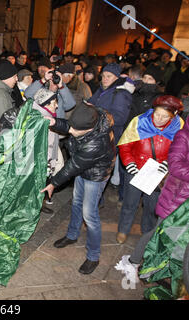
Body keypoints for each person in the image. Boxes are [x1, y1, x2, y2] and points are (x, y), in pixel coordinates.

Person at [115, 97, 188, 283]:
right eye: (157, 114)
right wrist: (129, 163)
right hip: (137, 169)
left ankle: (147, 235)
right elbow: (125, 144)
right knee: (130, 203)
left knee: (151, 206)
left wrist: (166, 165)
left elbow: (178, 152)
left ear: (174, 116)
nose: (159, 119)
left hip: (158, 174)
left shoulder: (178, 125)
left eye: (165, 117)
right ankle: (123, 229)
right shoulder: (139, 121)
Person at [41, 102, 116, 275]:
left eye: (76, 131)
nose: (71, 133)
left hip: (96, 175)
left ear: (89, 129)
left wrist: (53, 183)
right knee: (76, 203)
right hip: (84, 168)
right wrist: (54, 122)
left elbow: (72, 166)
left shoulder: (96, 143)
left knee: (89, 215)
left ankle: (93, 256)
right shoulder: (88, 116)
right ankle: (72, 235)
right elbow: (71, 125)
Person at [88, 63, 133, 191]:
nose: (105, 79)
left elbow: (119, 118)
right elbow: (90, 103)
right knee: (91, 172)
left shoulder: (120, 94)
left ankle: (95, 202)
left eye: (109, 76)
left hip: (109, 138)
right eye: (103, 76)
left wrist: (97, 113)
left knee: (98, 176)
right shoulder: (102, 89)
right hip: (96, 134)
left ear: (117, 78)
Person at [124, 64, 164, 129]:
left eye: (150, 79)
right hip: (129, 129)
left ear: (157, 82)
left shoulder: (158, 98)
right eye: (144, 77)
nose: (146, 81)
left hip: (143, 131)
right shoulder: (136, 92)